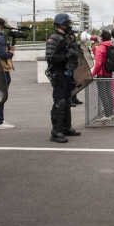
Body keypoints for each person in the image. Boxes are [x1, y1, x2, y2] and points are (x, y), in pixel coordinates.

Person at [45, 13, 82, 144]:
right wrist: (66, 56)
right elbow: (50, 57)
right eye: (68, 24)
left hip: (66, 73)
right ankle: (56, 131)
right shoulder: (55, 38)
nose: (69, 26)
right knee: (59, 102)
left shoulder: (65, 38)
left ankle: (66, 127)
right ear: (62, 24)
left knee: (66, 101)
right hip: (59, 74)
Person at [91, 30, 114, 121]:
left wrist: (92, 74)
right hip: (108, 72)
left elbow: (98, 63)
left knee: (103, 94)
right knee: (108, 93)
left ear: (101, 38)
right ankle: (110, 113)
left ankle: (107, 115)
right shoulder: (110, 45)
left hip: (101, 74)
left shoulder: (100, 48)